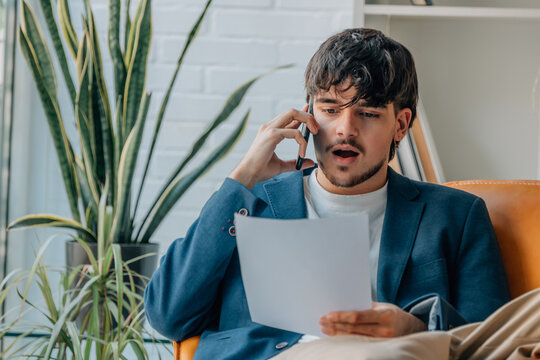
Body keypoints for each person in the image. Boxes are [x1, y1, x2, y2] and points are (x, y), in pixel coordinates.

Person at [144, 28, 510, 359]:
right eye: (330, 109)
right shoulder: (249, 203)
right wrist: (242, 178)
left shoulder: (456, 216)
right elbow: (168, 315)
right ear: (308, 115)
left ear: (400, 125)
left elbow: (493, 344)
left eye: (366, 113)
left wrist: (415, 328)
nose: (344, 129)